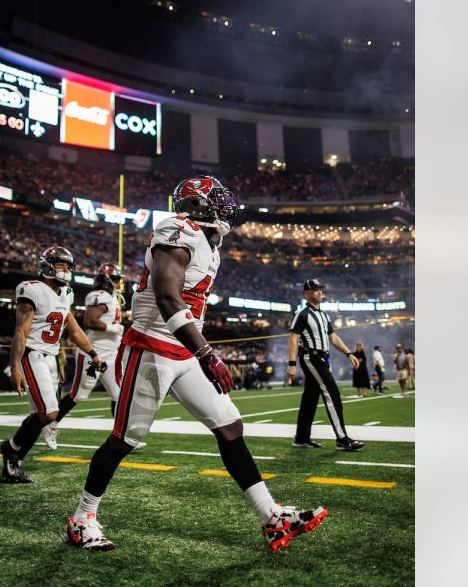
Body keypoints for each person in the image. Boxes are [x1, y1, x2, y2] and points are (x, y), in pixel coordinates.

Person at [66, 176, 328, 553]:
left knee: (229, 425)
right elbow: (168, 298)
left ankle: (271, 517)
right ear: (197, 205)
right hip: (152, 346)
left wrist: (197, 352)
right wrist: (207, 352)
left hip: (183, 351)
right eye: (217, 201)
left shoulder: (208, 243)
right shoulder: (177, 231)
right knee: (125, 439)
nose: (225, 208)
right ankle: (82, 518)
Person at [0, 246, 107, 484]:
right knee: (49, 413)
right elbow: (21, 331)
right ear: (46, 266)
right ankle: (12, 448)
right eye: (61, 265)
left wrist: (93, 353)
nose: (66, 270)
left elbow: (72, 329)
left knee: (41, 415)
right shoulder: (32, 290)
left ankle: (12, 460)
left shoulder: (65, 293)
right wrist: (15, 367)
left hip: (49, 355)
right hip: (32, 353)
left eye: (68, 266)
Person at [43, 264, 146, 450]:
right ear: (106, 280)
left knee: (119, 394)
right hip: (93, 353)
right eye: (115, 279)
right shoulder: (99, 296)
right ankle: (51, 424)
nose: (118, 283)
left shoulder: (112, 297)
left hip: (111, 354)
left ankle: (121, 435)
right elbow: (90, 321)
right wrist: (112, 328)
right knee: (78, 395)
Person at [286, 280, 365, 451]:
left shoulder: (324, 315)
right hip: (311, 357)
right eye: (315, 290)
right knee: (332, 394)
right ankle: (342, 439)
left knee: (310, 398)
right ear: (306, 293)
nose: (320, 292)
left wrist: (349, 353)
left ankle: (301, 438)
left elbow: (333, 337)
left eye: (320, 289)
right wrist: (291, 364)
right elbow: (293, 338)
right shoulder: (302, 314)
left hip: (322, 359)